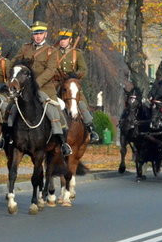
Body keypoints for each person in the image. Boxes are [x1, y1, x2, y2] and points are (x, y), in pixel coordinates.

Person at [9, 21, 71, 156]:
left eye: (40, 34)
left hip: (44, 87)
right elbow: (14, 62)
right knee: (10, 108)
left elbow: (50, 70)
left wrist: (35, 83)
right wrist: (13, 78)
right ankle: (5, 138)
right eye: (35, 34)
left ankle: (63, 142)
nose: (37, 36)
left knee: (56, 113)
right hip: (24, 87)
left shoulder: (51, 51)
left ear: (45, 34)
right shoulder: (25, 48)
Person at [55, 29, 100, 143]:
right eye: (61, 39)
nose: (62, 41)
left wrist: (75, 75)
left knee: (82, 104)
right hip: (58, 84)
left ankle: (91, 129)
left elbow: (83, 69)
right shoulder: (54, 53)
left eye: (65, 39)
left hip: (72, 84)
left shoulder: (77, 53)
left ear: (70, 40)